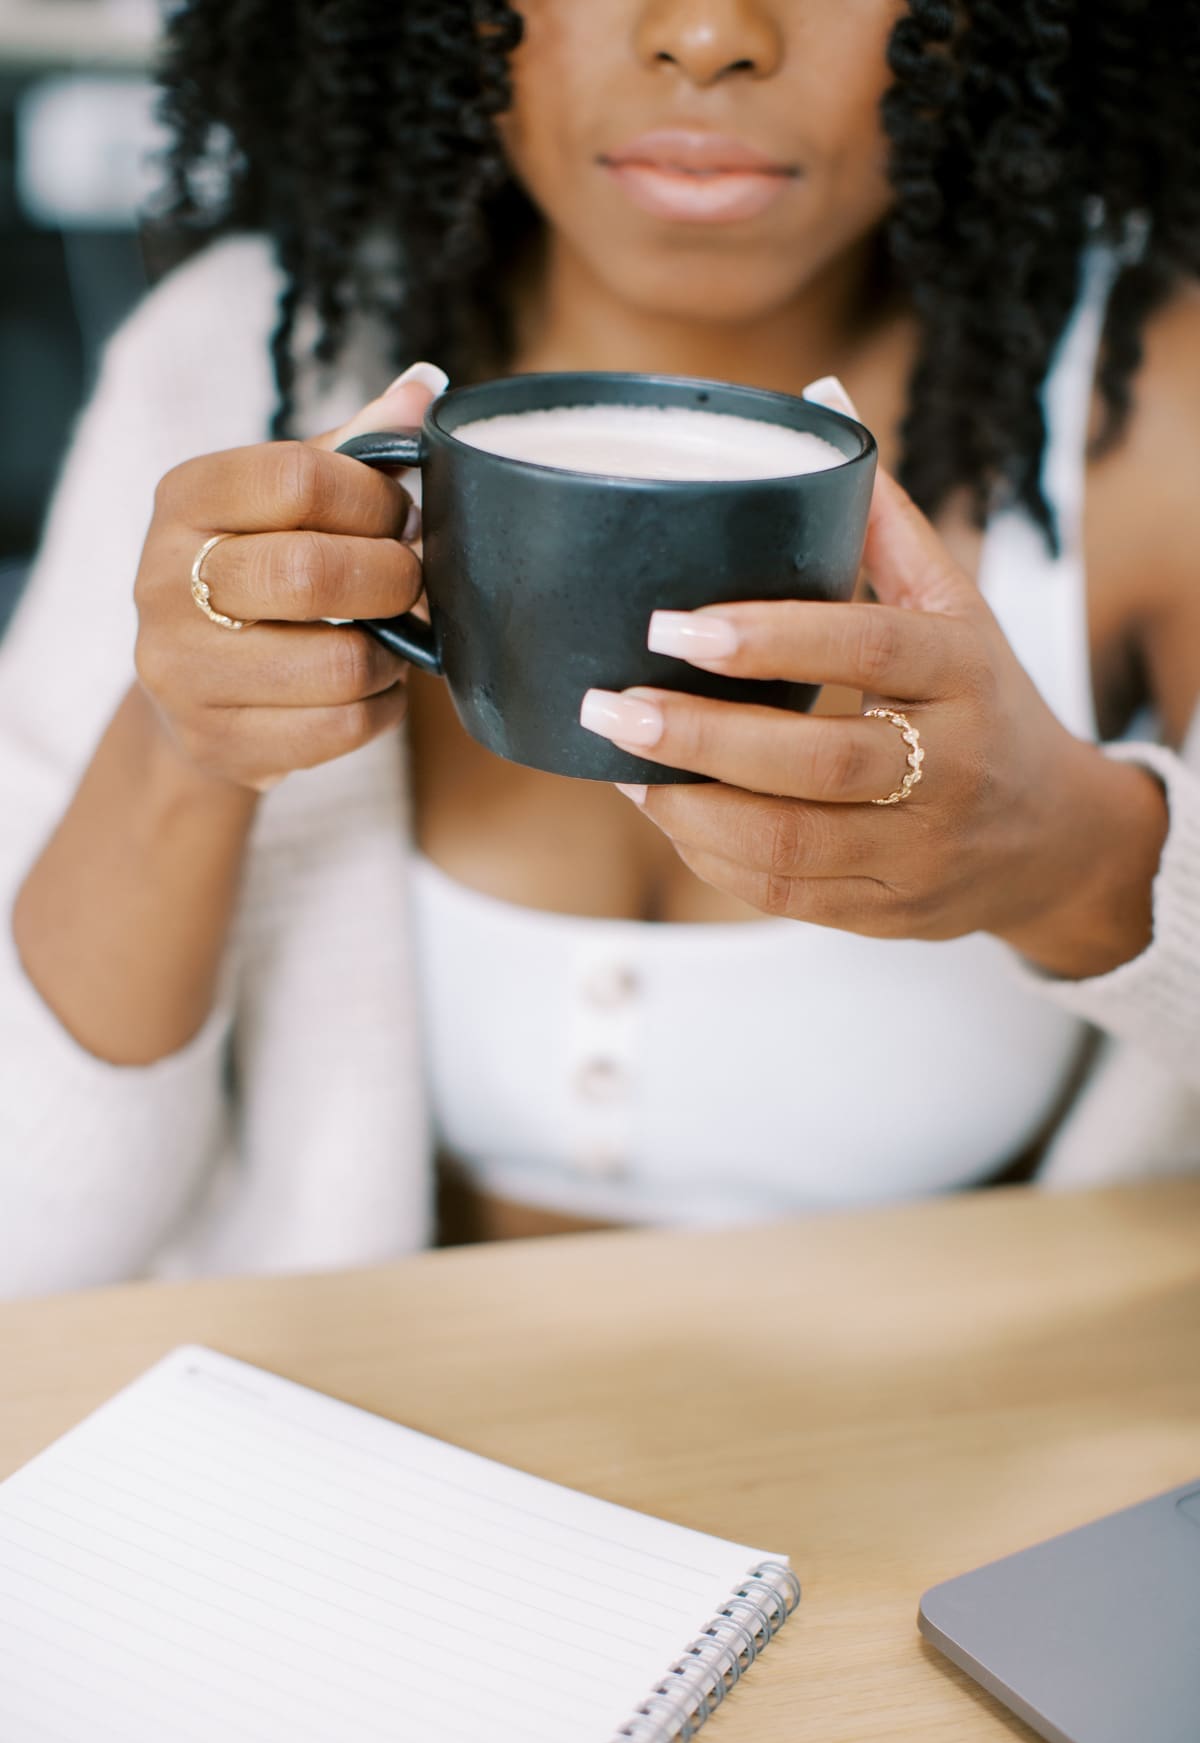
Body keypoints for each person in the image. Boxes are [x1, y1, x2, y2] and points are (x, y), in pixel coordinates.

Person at [1, 0, 1198, 1295]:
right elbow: (36, 1241)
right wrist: (182, 744)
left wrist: (1081, 864)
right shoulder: (237, 364)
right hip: (348, 1450)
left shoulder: (1155, 419)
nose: (703, 33)